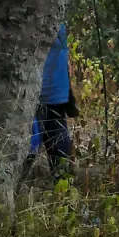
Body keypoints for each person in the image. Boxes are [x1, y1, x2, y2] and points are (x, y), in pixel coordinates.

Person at [30, 24, 75, 169]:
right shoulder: (56, 17)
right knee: (57, 136)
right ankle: (62, 182)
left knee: (31, 140)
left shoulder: (40, 15)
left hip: (41, 91)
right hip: (57, 90)